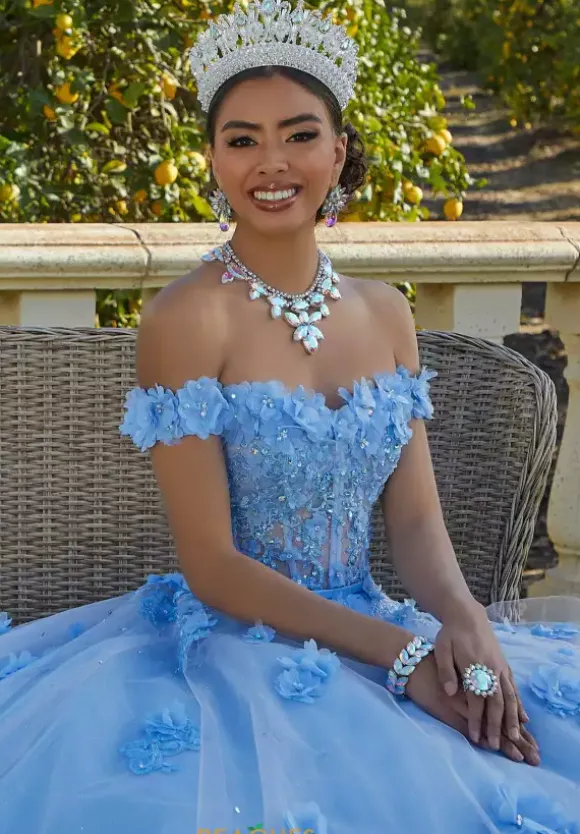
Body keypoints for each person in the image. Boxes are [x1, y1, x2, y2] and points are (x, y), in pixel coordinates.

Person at [1, 1, 580, 831]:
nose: (271, 163)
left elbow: (416, 525)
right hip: (235, 646)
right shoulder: (185, 318)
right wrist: (405, 657)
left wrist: (465, 626)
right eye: (242, 140)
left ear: (338, 151)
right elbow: (212, 565)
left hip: (382, 621)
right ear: (212, 160)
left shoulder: (387, 312)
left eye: (299, 134)